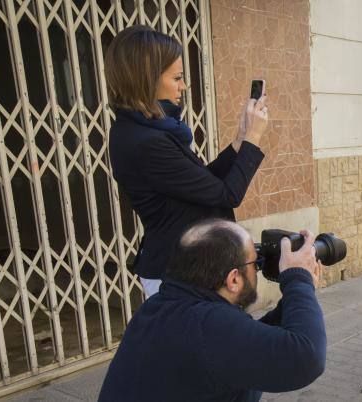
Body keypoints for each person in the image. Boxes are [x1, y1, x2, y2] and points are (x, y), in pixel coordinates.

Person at [105, 25, 268, 297]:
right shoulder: (146, 141)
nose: (183, 86)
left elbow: (203, 183)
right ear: (148, 78)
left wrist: (240, 141)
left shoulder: (148, 130)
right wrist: (253, 138)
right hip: (173, 274)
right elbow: (225, 194)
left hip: (185, 268)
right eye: (177, 77)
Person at [98, 219, 326, 401]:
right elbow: (307, 357)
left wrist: (292, 301)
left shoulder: (159, 307)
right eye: (254, 263)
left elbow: (242, 346)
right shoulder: (209, 326)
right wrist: (298, 279)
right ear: (233, 279)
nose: (257, 271)